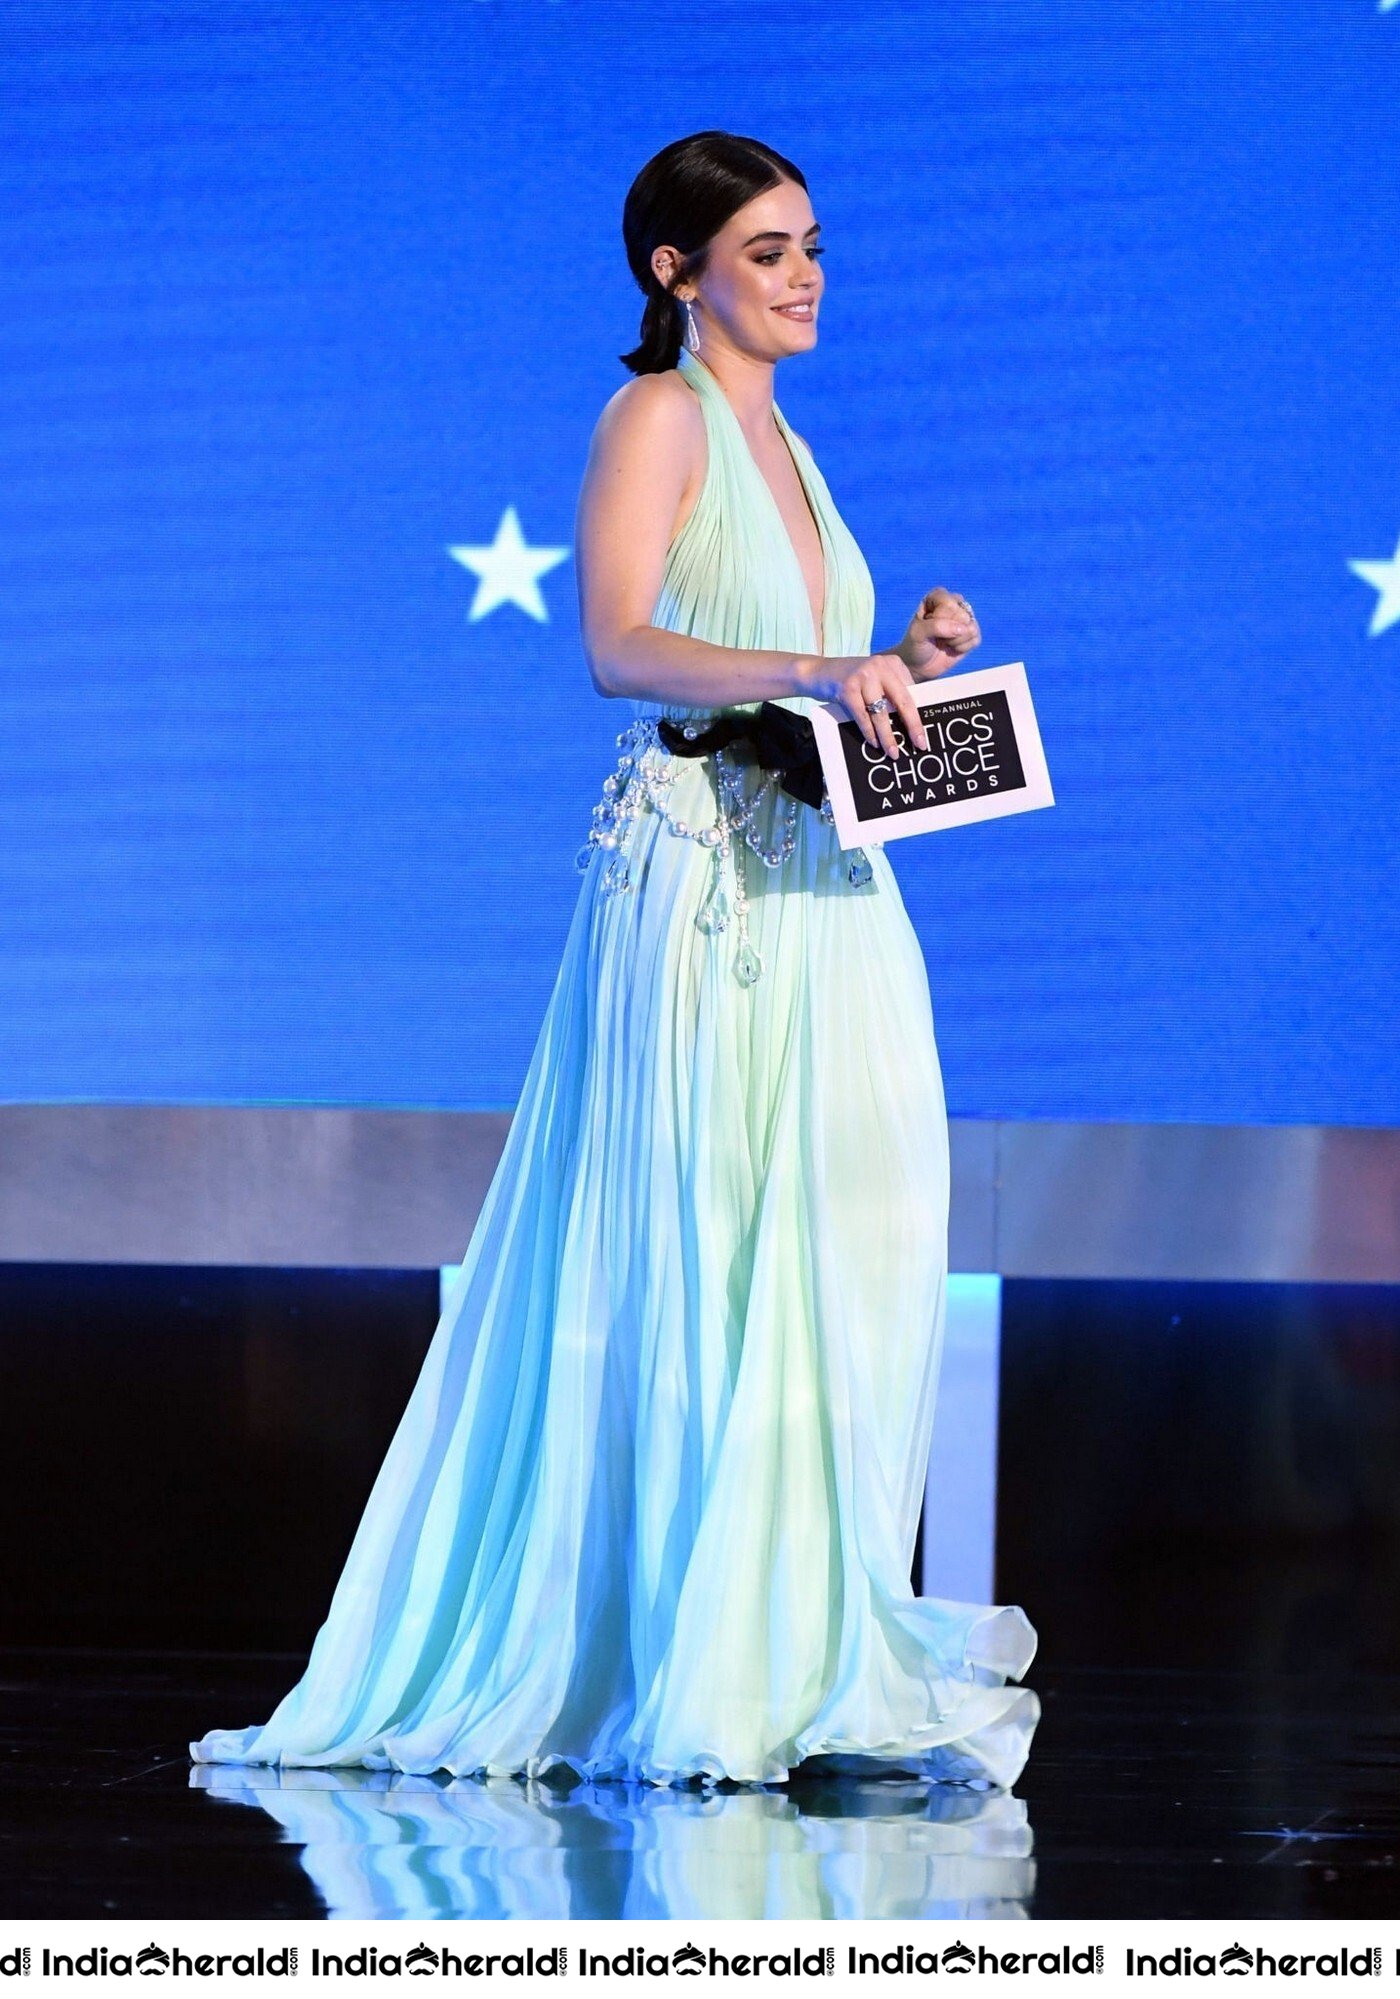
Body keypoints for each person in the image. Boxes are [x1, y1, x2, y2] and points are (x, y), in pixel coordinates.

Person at [189, 130, 1040, 1790]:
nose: (805, 278)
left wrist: (911, 668)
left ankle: (800, 1643)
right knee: (701, 1243)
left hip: (823, 873)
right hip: (701, 871)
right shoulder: (657, 416)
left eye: (812, 247)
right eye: (770, 251)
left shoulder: (793, 441)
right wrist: (828, 658)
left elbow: (804, 670)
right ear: (678, 271)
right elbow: (622, 642)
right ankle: (681, 1655)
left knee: (838, 1243)